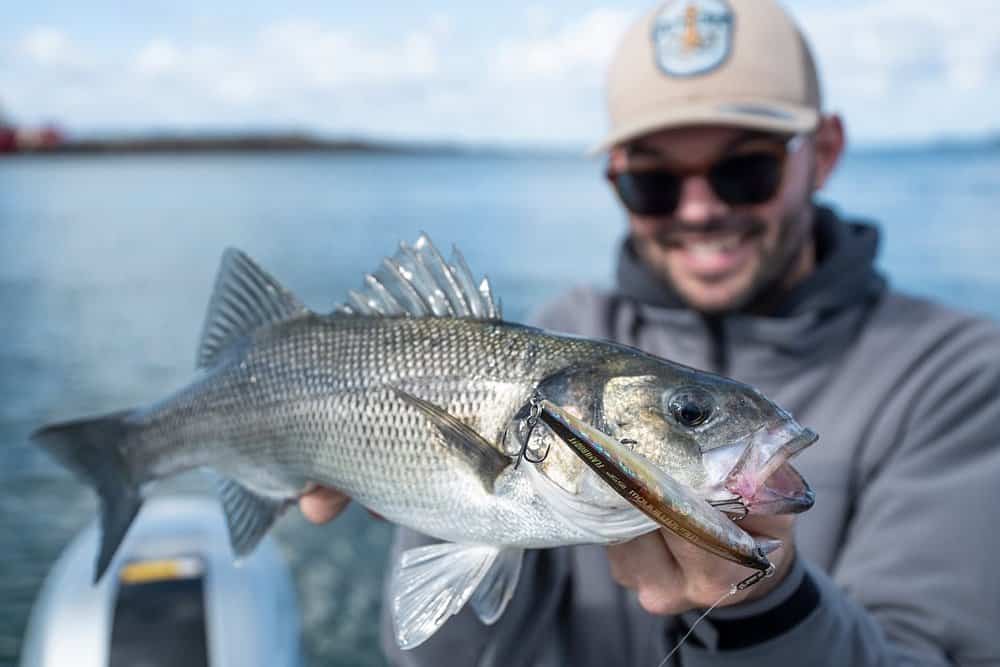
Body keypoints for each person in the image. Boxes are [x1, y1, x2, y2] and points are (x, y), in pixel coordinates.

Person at [301, 0, 1000, 664]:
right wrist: (427, 499)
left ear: (823, 151)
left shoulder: (959, 376)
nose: (698, 209)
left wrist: (770, 606)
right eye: (654, 181)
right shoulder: (560, 329)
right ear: (614, 177)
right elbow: (441, 659)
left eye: (744, 169)